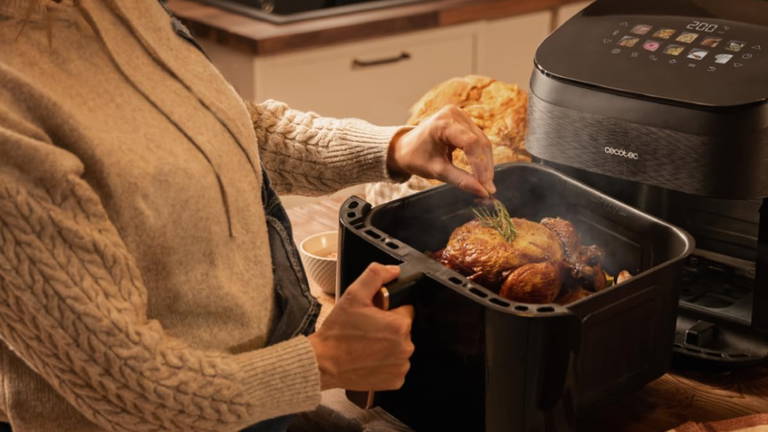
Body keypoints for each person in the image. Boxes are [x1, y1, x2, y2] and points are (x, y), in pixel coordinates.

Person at [0, 1, 496, 431]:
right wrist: (323, 362)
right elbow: (120, 384)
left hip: (264, 392)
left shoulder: (119, 7)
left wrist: (390, 146)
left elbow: (221, 127)